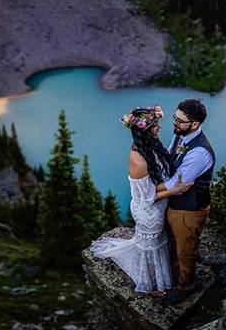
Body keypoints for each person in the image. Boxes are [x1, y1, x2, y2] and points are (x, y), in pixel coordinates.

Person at [89, 106, 193, 295]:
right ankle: (150, 285)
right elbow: (147, 197)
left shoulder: (151, 145)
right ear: (144, 130)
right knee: (151, 249)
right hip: (149, 212)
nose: (158, 128)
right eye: (154, 125)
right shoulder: (138, 160)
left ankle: (159, 279)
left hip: (158, 207)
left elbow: (156, 183)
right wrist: (176, 189)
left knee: (159, 245)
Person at [160, 98, 215, 306]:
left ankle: (187, 286)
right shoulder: (180, 135)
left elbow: (175, 183)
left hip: (189, 209)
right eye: (175, 117)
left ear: (195, 124)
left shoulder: (199, 152)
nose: (174, 122)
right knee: (175, 244)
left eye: (179, 120)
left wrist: (143, 189)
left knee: (186, 249)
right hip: (175, 204)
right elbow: (169, 159)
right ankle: (176, 278)